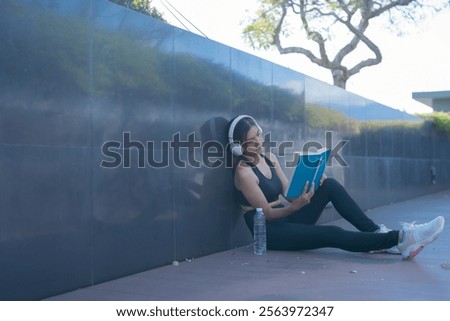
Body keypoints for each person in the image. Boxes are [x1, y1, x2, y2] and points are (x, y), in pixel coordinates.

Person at [227, 115, 445, 260]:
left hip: (288, 218)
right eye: (252, 139)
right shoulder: (244, 173)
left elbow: (289, 194)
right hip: (269, 232)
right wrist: (296, 207)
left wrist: (310, 186)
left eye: (259, 134)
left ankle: (376, 234)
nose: (260, 140)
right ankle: (402, 238)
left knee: (329, 184)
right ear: (239, 147)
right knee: (331, 232)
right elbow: (265, 214)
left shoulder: (270, 157)